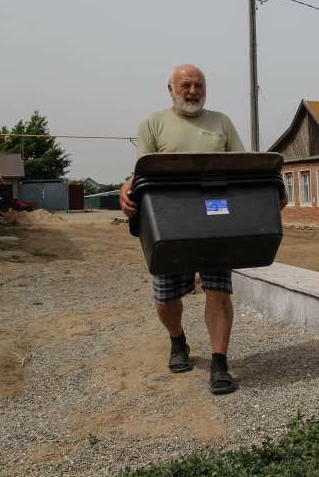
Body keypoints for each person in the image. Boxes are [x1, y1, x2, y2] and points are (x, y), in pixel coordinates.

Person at [119, 64, 287, 395]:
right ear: (170, 89)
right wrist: (128, 185)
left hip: (218, 219)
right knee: (166, 298)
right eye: (186, 85)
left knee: (219, 292)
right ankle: (177, 339)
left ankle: (220, 363)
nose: (193, 91)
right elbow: (142, 171)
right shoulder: (152, 124)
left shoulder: (221, 122)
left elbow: (243, 166)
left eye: (199, 85)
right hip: (170, 222)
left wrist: (274, 186)